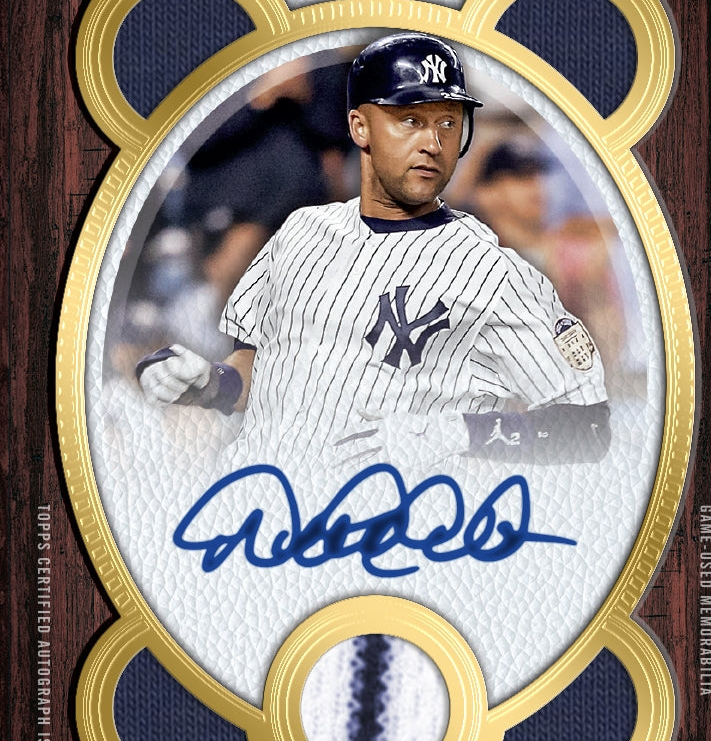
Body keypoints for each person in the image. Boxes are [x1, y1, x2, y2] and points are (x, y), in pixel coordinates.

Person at [137, 32, 610, 467]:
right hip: (270, 506)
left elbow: (588, 428)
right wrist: (210, 382)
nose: (432, 143)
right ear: (359, 127)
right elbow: (264, 368)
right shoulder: (300, 233)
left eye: (448, 122)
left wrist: (460, 432)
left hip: (406, 516)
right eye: (410, 120)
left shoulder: (491, 270)